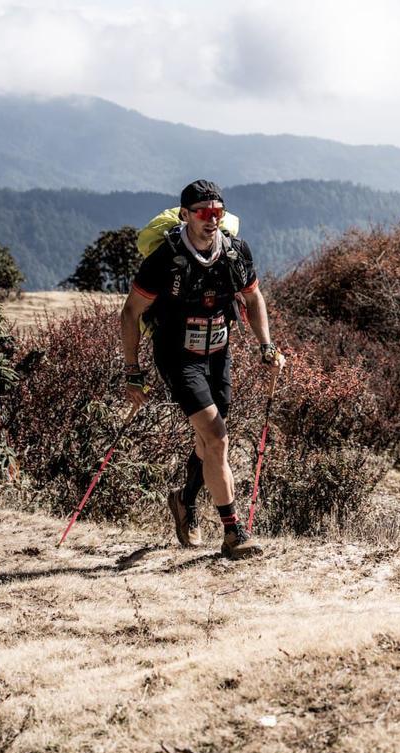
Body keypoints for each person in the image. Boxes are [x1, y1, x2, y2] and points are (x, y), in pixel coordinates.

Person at [120, 179, 284, 559]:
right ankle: (233, 533)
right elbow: (131, 312)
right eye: (203, 213)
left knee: (207, 441)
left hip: (218, 353)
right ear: (185, 215)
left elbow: (253, 298)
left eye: (217, 213)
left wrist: (267, 345)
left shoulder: (235, 252)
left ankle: (184, 500)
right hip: (177, 357)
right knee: (218, 437)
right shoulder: (165, 259)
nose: (211, 220)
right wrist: (133, 370)